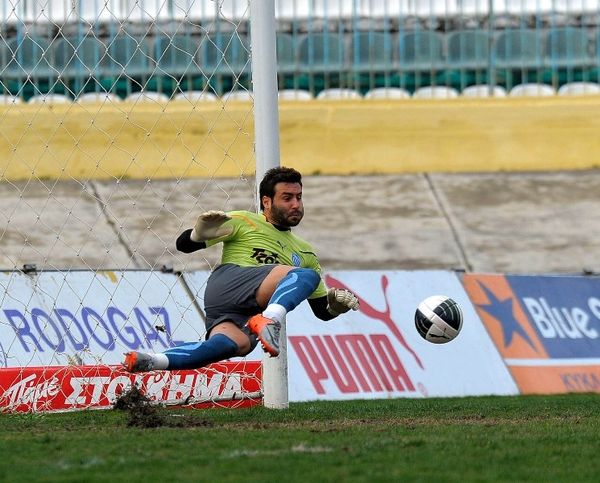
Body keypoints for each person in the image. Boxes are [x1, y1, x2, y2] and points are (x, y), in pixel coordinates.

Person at [123, 166, 359, 372]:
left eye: (299, 197)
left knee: (232, 345)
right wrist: (198, 234)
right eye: (287, 198)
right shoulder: (244, 221)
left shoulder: (305, 252)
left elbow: (322, 312)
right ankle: (270, 320)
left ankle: (152, 360)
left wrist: (335, 307)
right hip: (230, 283)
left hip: (240, 311)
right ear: (267, 201)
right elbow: (182, 245)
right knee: (305, 275)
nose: (296, 204)